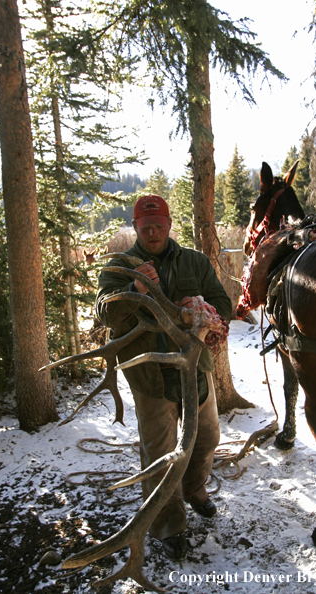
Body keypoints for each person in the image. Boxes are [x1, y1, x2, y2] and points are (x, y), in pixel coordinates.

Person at [95, 194, 232, 561]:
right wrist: (133, 290)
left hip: (195, 368)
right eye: (145, 226)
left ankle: (195, 490)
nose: (153, 231)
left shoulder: (196, 261)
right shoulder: (122, 267)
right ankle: (168, 523)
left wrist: (201, 304)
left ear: (170, 224)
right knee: (160, 454)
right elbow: (104, 313)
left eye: (159, 224)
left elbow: (225, 302)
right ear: (136, 227)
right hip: (151, 376)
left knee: (206, 438)